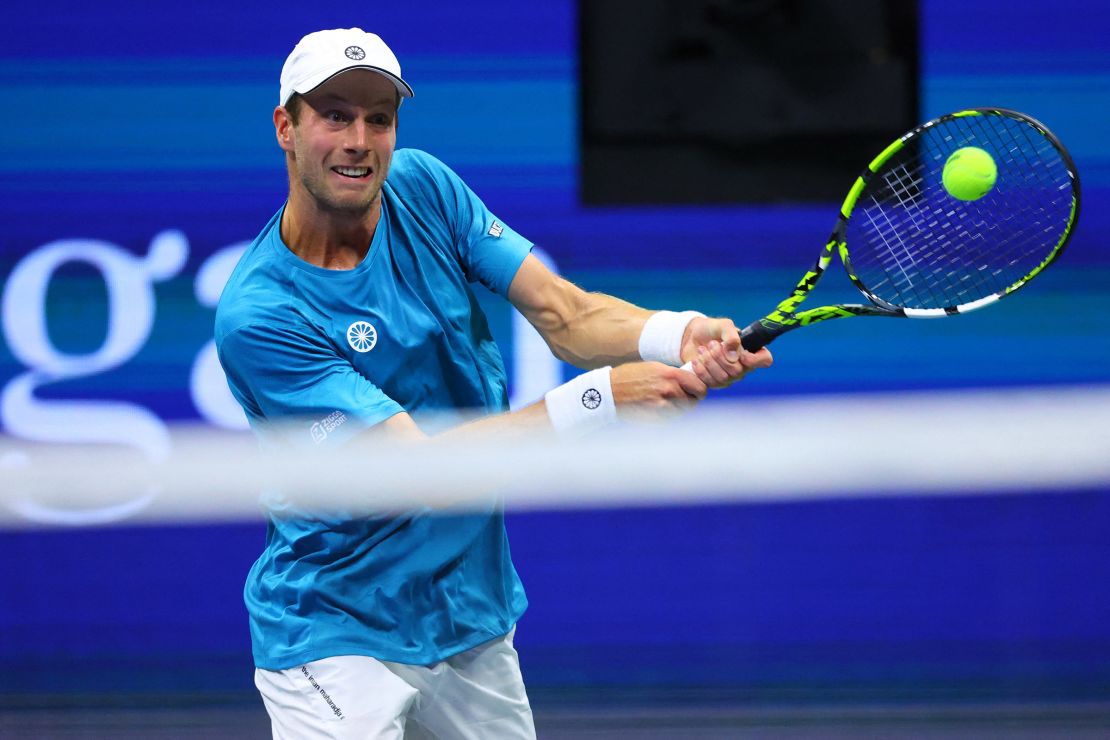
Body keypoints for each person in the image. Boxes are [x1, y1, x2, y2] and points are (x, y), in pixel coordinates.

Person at [215, 27, 772, 740]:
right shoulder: (262, 315)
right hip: (335, 630)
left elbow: (564, 314)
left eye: (378, 118)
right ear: (285, 128)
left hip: (465, 609)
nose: (359, 139)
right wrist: (603, 398)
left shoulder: (423, 186)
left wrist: (677, 333)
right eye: (334, 115)